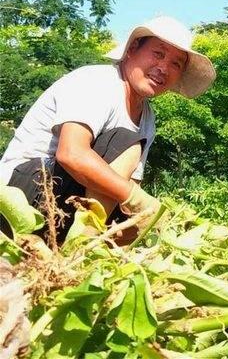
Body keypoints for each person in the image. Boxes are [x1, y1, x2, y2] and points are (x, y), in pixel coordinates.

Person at [0, 15, 216, 239]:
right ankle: (81, 245)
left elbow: (128, 185)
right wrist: (140, 201)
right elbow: (71, 154)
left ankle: (78, 248)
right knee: (126, 142)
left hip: (65, 207)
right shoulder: (99, 82)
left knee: (137, 226)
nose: (163, 68)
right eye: (158, 54)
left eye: (175, 63)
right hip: (21, 195)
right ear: (132, 49)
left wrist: (154, 218)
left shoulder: (147, 118)